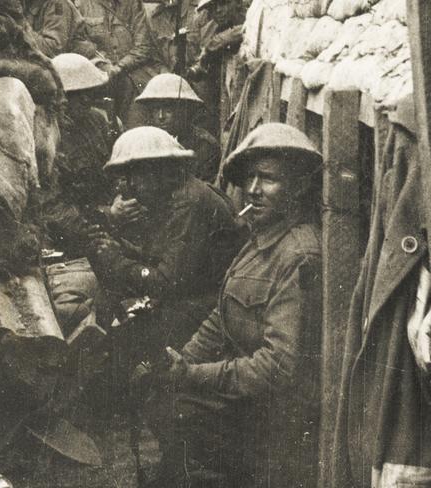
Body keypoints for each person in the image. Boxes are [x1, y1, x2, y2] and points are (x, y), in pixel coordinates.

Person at [144, 123, 323, 487]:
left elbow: (278, 367)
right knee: (157, 394)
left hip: (272, 417)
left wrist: (194, 376)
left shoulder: (298, 254)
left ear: (300, 187)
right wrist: (184, 360)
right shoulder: (263, 237)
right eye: (250, 178)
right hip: (245, 398)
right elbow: (223, 314)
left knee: (178, 412)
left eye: (268, 179)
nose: (253, 190)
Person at [85, 126, 240, 365]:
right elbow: (164, 258)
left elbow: (166, 282)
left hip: (210, 311)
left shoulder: (190, 203)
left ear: (159, 170)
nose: (131, 185)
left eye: (135, 176)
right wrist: (119, 249)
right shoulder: (177, 195)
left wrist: (117, 261)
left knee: (121, 347)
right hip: (193, 299)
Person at [37, 53, 116, 332]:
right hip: (66, 235)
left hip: (103, 220)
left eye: (88, 95)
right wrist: (100, 219)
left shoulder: (97, 122)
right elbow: (50, 205)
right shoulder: (46, 134)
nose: (84, 103)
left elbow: (112, 174)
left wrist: (115, 206)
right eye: (75, 97)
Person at [74, 0, 161, 125]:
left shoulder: (133, 4)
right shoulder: (81, 4)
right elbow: (79, 43)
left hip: (132, 77)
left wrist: (119, 67)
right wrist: (100, 62)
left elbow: (143, 46)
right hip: (98, 77)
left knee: (137, 124)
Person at [135, 73, 221, 182]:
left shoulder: (203, 146)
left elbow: (204, 190)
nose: (161, 116)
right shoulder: (145, 143)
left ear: (184, 110)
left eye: (168, 110)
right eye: (156, 110)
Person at [186, 0, 246, 139]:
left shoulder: (253, 19)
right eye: (212, 8)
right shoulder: (218, 30)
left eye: (223, 4)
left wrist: (222, 39)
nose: (218, 11)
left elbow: (250, 29)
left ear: (237, 3)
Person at [24, 0, 97, 58]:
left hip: (76, 63)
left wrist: (23, 32)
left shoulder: (57, 3)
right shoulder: (30, 4)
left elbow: (55, 48)